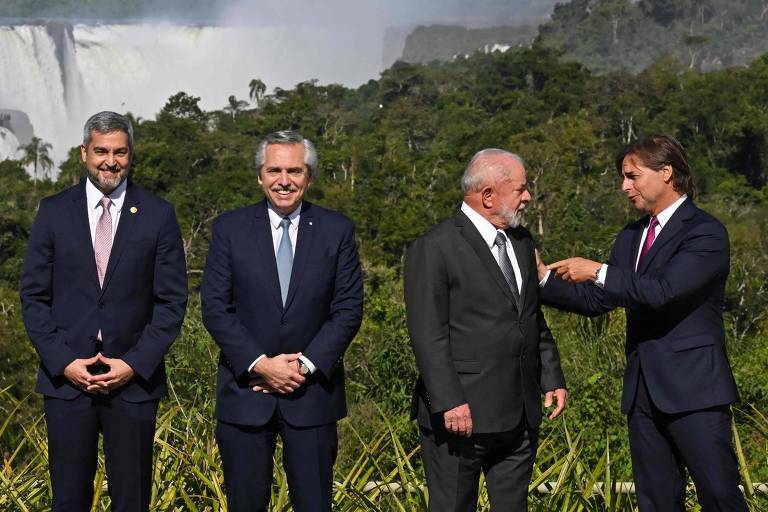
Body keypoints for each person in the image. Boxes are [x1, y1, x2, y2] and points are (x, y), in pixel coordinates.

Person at [537, 134, 746, 511]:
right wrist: (542, 279)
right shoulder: (631, 237)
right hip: (642, 394)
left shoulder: (705, 232)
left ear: (667, 172)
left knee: (719, 498)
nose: (624, 186)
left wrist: (598, 270)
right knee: (656, 502)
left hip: (695, 393)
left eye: (632, 176)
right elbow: (598, 299)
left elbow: (664, 290)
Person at [20, 111, 188, 511]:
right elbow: (33, 297)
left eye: (120, 152)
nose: (110, 161)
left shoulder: (159, 214)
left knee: (132, 500)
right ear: (84, 152)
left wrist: (133, 364)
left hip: (132, 385)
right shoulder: (53, 211)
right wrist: (64, 362)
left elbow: (171, 302)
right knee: (68, 499)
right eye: (101, 151)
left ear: (131, 154)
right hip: (67, 385)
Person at [201, 130, 363, 512]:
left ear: (309, 176)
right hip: (245, 395)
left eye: (295, 171)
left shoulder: (337, 231)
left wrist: (302, 366)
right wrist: (262, 365)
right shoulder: (229, 230)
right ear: (260, 176)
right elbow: (215, 308)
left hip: (312, 395)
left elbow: (347, 309)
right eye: (275, 170)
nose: (284, 180)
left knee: (314, 504)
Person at [404, 148, 568, 511]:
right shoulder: (434, 247)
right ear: (488, 195)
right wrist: (449, 401)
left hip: (519, 415)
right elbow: (427, 334)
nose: (527, 197)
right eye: (521, 190)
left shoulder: (522, 242)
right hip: (460, 416)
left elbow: (530, 317)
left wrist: (551, 376)